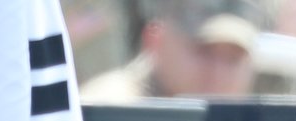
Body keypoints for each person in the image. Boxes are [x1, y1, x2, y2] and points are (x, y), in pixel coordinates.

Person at [80, 0, 261, 101]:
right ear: (155, 40)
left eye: (233, 58)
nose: (218, 74)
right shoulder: (111, 106)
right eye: (204, 52)